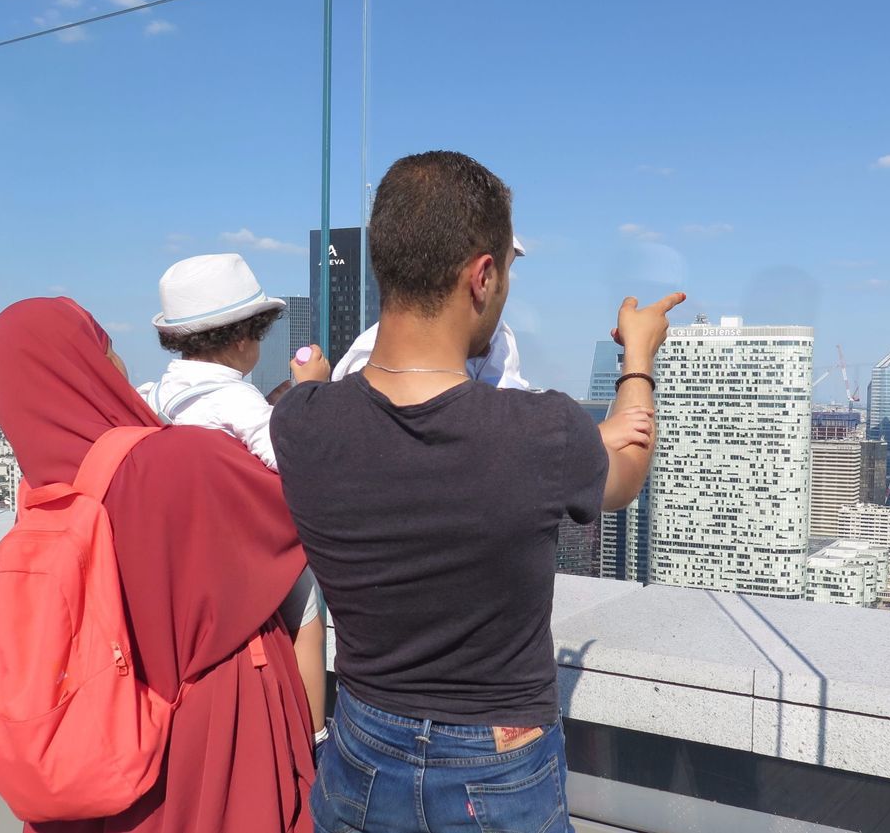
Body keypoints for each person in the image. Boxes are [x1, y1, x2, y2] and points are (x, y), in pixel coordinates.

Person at [271, 150, 683, 832]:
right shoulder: (537, 432)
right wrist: (637, 357)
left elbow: (314, 389)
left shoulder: (301, 425)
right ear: (482, 275)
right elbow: (628, 470)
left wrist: (313, 371)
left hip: (362, 745)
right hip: (500, 766)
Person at [0, 297, 315, 833]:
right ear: (87, 365)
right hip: (202, 749)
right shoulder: (174, 460)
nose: (123, 366)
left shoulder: (39, 495)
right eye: (107, 348)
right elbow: (304, 506)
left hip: (95, 755)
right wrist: (309, 398)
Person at [137, 252, 329, 736]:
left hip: (173, 564)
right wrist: (309, 398)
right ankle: (312, 735)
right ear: (245, 336)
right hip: (232, 566)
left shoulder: (150, 396)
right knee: (307, 599)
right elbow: (299, 472)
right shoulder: (239, 402)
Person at [333, 236, 656, 451]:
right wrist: (589, 437)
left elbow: (505, 409)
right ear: (482, 276)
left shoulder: (498, 337)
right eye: (505, 270)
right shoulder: (367, 354)